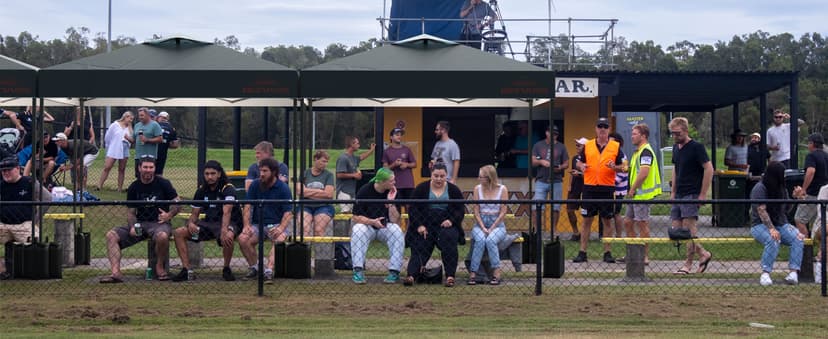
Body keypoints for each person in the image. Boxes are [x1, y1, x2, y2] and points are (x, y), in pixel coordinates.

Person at [99, 156, 181, 283]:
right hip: (140, 224)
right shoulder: (134, 187)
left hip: (159, 224)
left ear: (154, 169)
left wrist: (169, 215)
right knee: (111, 235)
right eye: (145, 167)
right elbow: (131, 212)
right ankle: (115, 273)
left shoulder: (164, 183)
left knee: (163, 236)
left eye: (151, 167)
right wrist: (133, 226)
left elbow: (178, 202)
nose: (148, 170)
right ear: (139, 168)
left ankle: (159, 267)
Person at [172, 160, 242, 282]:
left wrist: (224, 230)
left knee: (228, 236)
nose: (209, 177)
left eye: (213, 173)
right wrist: (191, 224)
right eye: (207, 174)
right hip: (209, 224)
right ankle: (186, 270)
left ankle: (226, 268)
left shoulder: (228, 188)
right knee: (179, 232)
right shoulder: (201, 190)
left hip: (230, 223)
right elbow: (194, 214)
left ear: (219, 174)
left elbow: (227, 212)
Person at [404, 163, 465, 287]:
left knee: (450, 240)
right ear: (431, 175)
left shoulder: (453, 190)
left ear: (446, 176)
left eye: (442, 176)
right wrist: (419, 225)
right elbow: (413, 209)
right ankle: (411, 275)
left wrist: (451, 221)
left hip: (446, 224)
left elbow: (460, 210)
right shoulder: (421, 188)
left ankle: (450, 276)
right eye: (436, 175)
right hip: (425, 224)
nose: (439, 179)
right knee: (420, 244)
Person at [572, 118, 623, 263]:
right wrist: (581, 166)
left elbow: (625, 166)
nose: (602, 129)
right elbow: (578, 161)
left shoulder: (615, 146)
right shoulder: (588, 145)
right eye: (600, 126)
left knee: (607, 220)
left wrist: (615, 167)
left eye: (605, 127)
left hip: (606, 188)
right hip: (589, 187)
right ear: (595, 128)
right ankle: (582, 252)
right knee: (587, 220)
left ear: (609, 129)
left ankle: (607, 252)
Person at [668, 117, 714, 275]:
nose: (675, 137)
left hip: (691, 193)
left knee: (689, 230)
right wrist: (673, 191)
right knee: (676, 230)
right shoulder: (676, 148)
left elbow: (709, 169)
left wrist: (702, 194)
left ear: (686, 131)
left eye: (678, 133)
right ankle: (703, 253)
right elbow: (675, 169)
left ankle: (687, 264)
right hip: (679, 193)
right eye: (672, 134)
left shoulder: (696, 147)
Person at [237, 158, 293, 284]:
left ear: (273, 172)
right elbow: (247, 206)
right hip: (257, 225)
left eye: (265, 171)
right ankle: (255, 268)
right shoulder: (255, 185)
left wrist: (280, 228)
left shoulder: (283, 188)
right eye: (260, 170)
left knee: (279, 239)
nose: (261, 174)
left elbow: (288, 213)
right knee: (243, 238)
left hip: (277, 224)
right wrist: (246, 225)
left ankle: (268, 271)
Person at [750, 161, 805, 286]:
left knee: (798, 237)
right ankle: (765, 273)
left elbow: (785, 210)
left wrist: (795, 198)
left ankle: (793, 273)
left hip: (780, 223)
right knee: (773, 238)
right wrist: (771, 229)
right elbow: (761, 210)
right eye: (782, 174)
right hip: (759, 225)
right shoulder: (760, 188)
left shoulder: (782, 188)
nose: (784, 177)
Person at [349, 167, 404, 284]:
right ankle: (358, 270)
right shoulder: (364, 190)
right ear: (382, 182)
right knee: (358, 229)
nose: (394, 183)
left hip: (385, 226)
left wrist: (391, 202)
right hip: (368, 225)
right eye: (391, 181)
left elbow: (395, 220)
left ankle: (394, 272)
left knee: (397, 230)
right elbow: (355, 217)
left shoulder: (393, 192)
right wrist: (372, 222)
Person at [0, 156, 51, 280]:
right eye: (3, 171)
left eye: (9, 170)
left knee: (35, 242)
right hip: (3, 225)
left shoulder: (29, 183)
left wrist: (35, 220)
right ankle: (2, 270)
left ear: (18, 169)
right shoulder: (1, 185)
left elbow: (47, 198)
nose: (6, 173)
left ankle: (31, 271)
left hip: (24, 224)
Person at [623, 123, 661, 265]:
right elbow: (631, 170)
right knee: (627, 222)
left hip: (641, 195)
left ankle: (644, 256)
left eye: (634, 134)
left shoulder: (646, 151)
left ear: (643, 136)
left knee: (642, 224)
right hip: (634, 196)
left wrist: (632, 189)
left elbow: (644, 173)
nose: (631, 137)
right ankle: (633, 253)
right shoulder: (637, 152)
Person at [467, 164, 508, 285]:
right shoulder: (477, 189)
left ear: (489, 178)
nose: (478, 179)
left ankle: (496, 271)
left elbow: (503, 212)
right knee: (480, 240)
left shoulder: (502, 189)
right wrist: (483, 227)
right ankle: (473, 272)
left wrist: (492, 227)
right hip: (480, 223)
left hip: (498, 223)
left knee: (490, 240)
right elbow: (476, 211)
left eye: (481, 177)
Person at [531, 125, 568, 235]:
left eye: (556, 134)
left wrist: (560, 167)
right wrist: (542, 162)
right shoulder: (538, 145)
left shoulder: (562, 147)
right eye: (552, 133)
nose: (554, 135)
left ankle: (554, 230)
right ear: (547, 133)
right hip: (541, 179)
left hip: (556, 180)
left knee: (556, 207)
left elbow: (567, 163)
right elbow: (533, 161)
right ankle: (536, 230)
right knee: (536, 206)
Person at [793, 133, 828, 235]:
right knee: (822, 221)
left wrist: (803, 189)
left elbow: (811, 171)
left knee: (799, 219)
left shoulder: (811, 156)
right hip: (825, 194)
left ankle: (806, 248)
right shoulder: (826, 156)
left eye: (808, 143)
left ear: (812, 144)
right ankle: (822, 246)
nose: (808, 146)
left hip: (813, 194)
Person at [298, 150, 335, 236]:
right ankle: (304, 249)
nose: (325, 164)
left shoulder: (329, 175)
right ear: (315, 159)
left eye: (327, 162)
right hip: (305, 206)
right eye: (323, 161)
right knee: (304, 228)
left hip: (324, 206)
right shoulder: (305, 173)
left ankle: (318, 249)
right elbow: (299, 191)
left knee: (319, 230)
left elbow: (329, 194)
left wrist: (307, 192)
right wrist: (320, 192)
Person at [336, 136, 375, 213]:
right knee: (345, 213)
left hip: (352, 192)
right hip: (343, 191)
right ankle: (344, 226)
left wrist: (371, 150)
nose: (359, 145)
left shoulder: (353, 157)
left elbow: (361, 157)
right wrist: (354, 175)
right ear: (351, 144)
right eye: (357, 143)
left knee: (351, 213)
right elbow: (339, 175)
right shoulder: (343, 158)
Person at [97, 111, 134, 192]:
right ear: (125, 117)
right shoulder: (115, 125)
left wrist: (128, 134)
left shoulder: (129, 128)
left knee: (122, 169)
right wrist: (109, 147)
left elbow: (132, 140)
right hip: (114, 147)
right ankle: (99, 186)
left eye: (132, 119)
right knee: (107, 167)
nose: (130, 120)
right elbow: (108, 137)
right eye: (130, 118)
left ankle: (119, 189)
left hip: (125, 147)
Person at [382, 128, 416, 212]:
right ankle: (398, 225)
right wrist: (394, 164)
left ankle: (409, 225)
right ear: (391, 137)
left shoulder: (407, 149)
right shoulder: (387, 151)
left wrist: (406, 164)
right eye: (397, 134)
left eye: (400, 135)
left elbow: (414, 164)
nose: (399, 136)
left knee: (410, 210)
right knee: (397, 210)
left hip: (408, 185)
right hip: (395, 185)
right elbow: (384, 169)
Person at [565, 137, 588, 241]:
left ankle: (584, 234)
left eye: (579, 145)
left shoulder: (590, 157)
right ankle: (576, 232)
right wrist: (569, 185)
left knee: (586, 212)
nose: (577, 147)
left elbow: (590, 174)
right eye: (576, 145)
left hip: (586, 186)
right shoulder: (574, 158)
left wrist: (579, 174)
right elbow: (572, 172)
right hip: (574, 186)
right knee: (569, 209)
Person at [131, 107, 163, 179]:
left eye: (142, 115)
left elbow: (160, 139)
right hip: (138, 156)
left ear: (148, 115)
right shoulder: (137, 125)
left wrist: (147, 140)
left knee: (149, 176)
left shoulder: (155, 125)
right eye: (139, 115)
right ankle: (139, 190)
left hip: (150, 156)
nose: (140, 117)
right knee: (139, 176)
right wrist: (125, 137)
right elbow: (133, 140)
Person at [609, 132, 629, 238]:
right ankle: (610, 234)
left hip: (618, 190)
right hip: (609, 188)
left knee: (616, 213)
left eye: (612, 141)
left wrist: (612, 182)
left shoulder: (622, 155)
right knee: (609, 214)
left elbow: (624, 171)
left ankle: (618, 235)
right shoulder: (609, 154)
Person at [154, 111, 179, 176]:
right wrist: (166, 144)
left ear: (158, 117)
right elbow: (175, 145)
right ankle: (159, 185)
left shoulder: (153, 125)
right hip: (162, 154)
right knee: (159, 173)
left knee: (149, 171)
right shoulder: (171, 128)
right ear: (167, 118)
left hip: (151, 152)